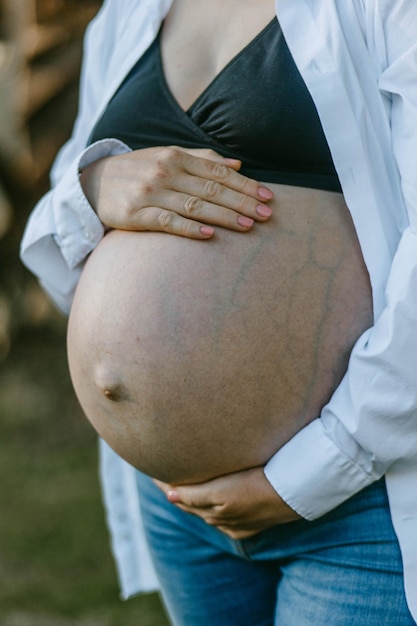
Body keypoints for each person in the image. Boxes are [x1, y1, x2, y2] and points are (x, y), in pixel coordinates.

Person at [20, 0, 417, 624]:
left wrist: (320, 468)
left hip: (356, 503)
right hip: (178, 508)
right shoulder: (127, 12)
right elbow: (52, 237)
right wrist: (94, 188)